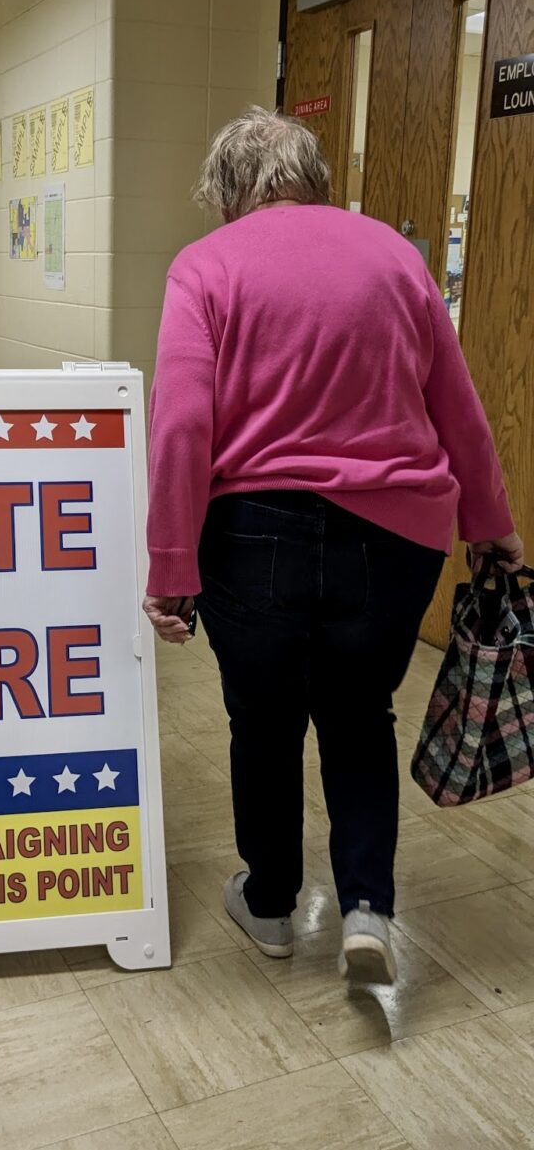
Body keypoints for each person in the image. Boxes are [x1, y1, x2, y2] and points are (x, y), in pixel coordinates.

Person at [143, 107, 523, 986]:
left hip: (253, 536)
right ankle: (366, 909)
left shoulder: (205, 267)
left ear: (235, 190)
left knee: (263, 724)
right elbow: (456, 406)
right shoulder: (398, 258)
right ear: (315, 176)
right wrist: (493, 525)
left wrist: (172, 568)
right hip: (395, 537)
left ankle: (271, 903)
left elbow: (182, 427)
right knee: (360, 719)